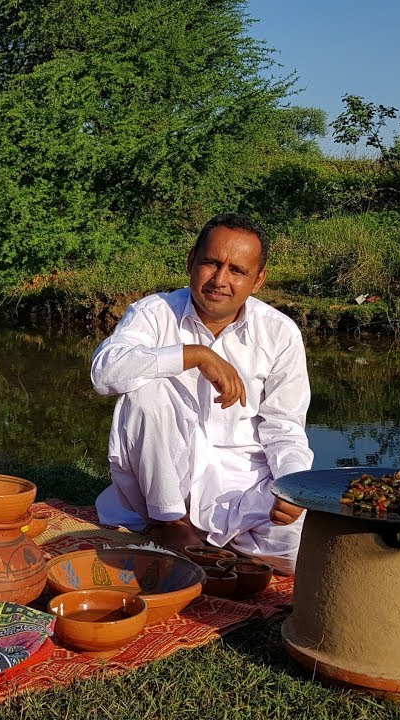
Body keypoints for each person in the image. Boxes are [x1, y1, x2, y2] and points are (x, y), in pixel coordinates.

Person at [90, 213, 312, 574]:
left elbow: (285, 427)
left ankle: (214, 540)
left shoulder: (280, 333)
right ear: (192, 260)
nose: (220, 280)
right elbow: (104, 373)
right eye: (211, 262)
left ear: (258, 281)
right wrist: (193, 355)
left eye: (237, 270)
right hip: (163, 479)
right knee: (146, 386)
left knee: (305, 551)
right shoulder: (154, 313)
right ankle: (173, 524)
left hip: (242, 486)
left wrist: (293, 488)